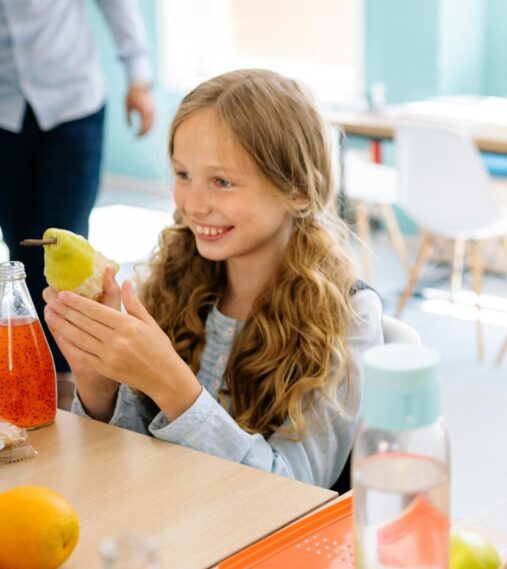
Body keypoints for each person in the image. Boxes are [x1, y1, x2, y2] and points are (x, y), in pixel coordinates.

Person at [41, 69, 382, 488]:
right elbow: (129, 464)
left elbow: (294, 491)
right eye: (183, 175)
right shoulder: (174, 278)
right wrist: (99, 387)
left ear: (297, 190)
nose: (194, 204)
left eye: (222, 182)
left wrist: (171, 384)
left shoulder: (350, 317)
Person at [0, 0, 156, 371]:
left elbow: (117, 6)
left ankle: (76, 367)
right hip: (4, 113)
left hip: (73, 102)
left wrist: (139, 79)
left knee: (65, 243)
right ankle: (30, 365)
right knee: (20, 246)